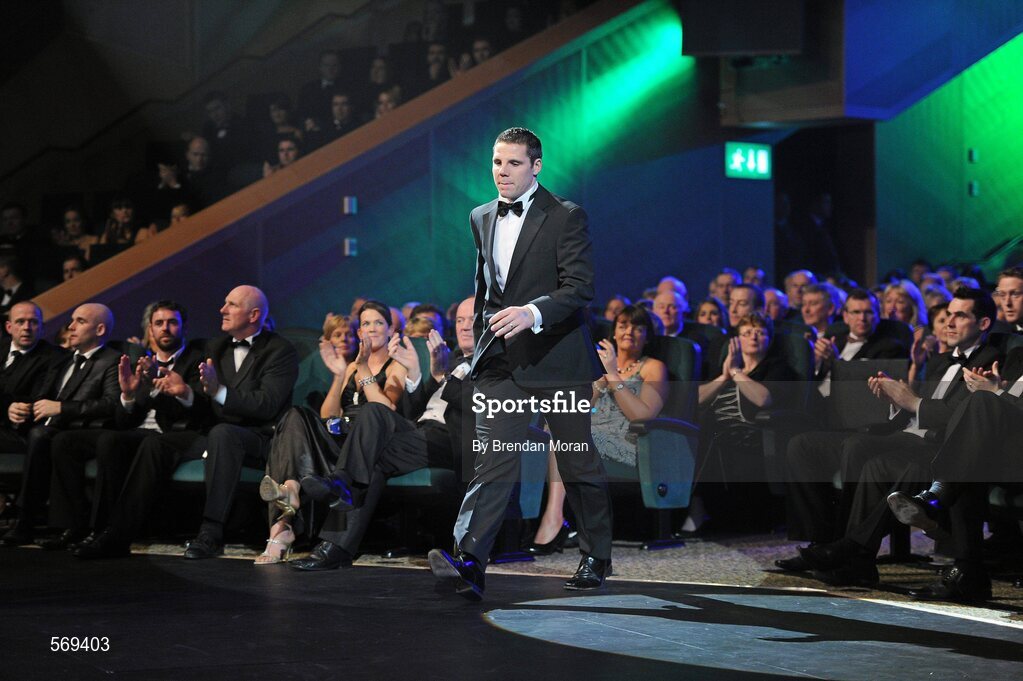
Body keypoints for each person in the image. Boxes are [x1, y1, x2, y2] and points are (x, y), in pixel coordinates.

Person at [428, 127, 612, 599]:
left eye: (512, 163)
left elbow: (579, 288)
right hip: (502, 363)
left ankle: (596, 554)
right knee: (492, 459)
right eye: (496, 163)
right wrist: (478, 349)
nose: (502, 172)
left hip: (557, 357)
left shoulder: (566, 215)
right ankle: (469, 558)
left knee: (575, 460)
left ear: (536, 165)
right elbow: (486, 290)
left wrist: (531, 312)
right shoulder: (480, 216)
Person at [778, 288, 1001, 565]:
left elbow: (964, 418)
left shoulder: (990, 360)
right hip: (908, 432)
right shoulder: (940, 361)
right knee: (803, 444)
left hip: (936, 443)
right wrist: (894, 399)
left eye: (959, 315)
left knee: (860, 450)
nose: (949, 323)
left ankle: (846, 549)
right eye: (947, 316)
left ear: (983, 324)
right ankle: (828, 543)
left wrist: (911, 400)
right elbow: (912, 409)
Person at [74, 285, 299, 559]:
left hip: (261, 437)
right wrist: (175, 385)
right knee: (157, 443)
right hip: (213, 433)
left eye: (231, 305)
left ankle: (211, 533)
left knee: (223, 434)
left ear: (253, 315)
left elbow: (266, 405)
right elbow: (201, 401)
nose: (222, 309)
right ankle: (118, 533)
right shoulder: (215, 346)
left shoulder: (280, 350)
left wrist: (217, 391)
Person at [292, 298, 478, 570]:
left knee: (374, 417)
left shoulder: (496, 363)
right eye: (459, 320)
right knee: (371, 459)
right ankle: (337, 547)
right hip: (419, 432)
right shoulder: (448, 359)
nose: (463, 327)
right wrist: (415, 375)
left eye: (471, 320)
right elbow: (414, 409)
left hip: (450, 440)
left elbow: (479, 407)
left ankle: (340, 484)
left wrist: (440, 377)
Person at [252, 300, 414, 564]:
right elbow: (329, 415)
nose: (371, 328)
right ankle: (290, 487)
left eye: (378, 323)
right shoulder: (351, 366)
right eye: (365, 323)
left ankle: (283, 526)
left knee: (298, 435)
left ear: (390, 329)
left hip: (371, 441)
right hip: (341, 433)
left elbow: (386, 409)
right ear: (359, 331)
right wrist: (340, 375)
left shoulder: (396, 365)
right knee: (294, 417)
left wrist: (364, 371)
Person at [43, 300, 205, 550]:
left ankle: (104, 529)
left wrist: (158, 389)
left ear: (183, 327)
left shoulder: (196, 362)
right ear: (150, 329)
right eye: (159, 323)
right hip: (138, 432)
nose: (165, 328)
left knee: (112, 440)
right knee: (65, 441)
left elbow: (193, 412)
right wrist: (128, 396)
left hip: (174, 434)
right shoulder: (140, 362)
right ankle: (73, 525)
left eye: (172, 323)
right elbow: (123, 420)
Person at [528, 304, 667, 552]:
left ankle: (555, 518)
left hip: (631, 439)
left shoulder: (653, 367)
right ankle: (544, 519)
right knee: (555, 428)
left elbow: (644, 415)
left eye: (638, 328)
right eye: (623, 326)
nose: (629, 332)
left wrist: (613, 375)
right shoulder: (599, 365)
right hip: (592, 430)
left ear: (647, 336)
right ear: (613, 332)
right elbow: (580, 407)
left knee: (569, 436)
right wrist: (600, 380)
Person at [0, 303, 120, 546]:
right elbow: (45, 396)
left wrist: (61, 409)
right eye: (72, 320)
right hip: (51, 426)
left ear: (99, 329)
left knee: (42, 436)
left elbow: (111, 405)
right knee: (41, 434)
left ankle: (27, 520)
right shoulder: (66, 360)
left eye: (80, 322)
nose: (71, 327)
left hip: (83, 429)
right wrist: (22, 408)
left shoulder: (111, 360)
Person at [0, 302, 62, 456]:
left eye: (33, 322)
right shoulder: (1, 348)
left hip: (17, 431)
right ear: (9, 327)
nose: (26, 328)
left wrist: (9, 407)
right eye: (20, 322)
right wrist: (5, 406)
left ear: (41, 328)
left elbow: (36, 399)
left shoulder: (53, 357)